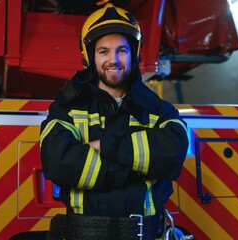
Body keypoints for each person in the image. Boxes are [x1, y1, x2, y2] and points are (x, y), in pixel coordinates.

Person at [40, 3, 188, 240]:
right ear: (90, 56)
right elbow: (58, 162)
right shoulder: (67, 108)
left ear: (133, 53)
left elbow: (174, 153)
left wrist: (105, 146)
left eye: (122, 50)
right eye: (103, 51)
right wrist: (140, 168)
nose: (113, 59)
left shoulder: (158, 110)